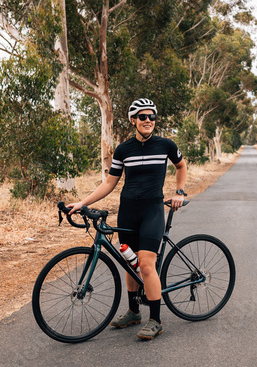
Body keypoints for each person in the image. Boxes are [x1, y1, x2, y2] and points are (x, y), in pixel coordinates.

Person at [67, 98, 187, 340]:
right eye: (142, 117)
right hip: (128, 210)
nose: (148, 121)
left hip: (152, 210)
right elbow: (110, 182)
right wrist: (83, 203)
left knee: (145, 264)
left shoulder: (166, 145)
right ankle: (134, 312)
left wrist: (179, 192)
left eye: (151, 117)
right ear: (133, 120)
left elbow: (181, 166)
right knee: (128, 262)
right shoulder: (123, 150)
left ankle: (155, 319)